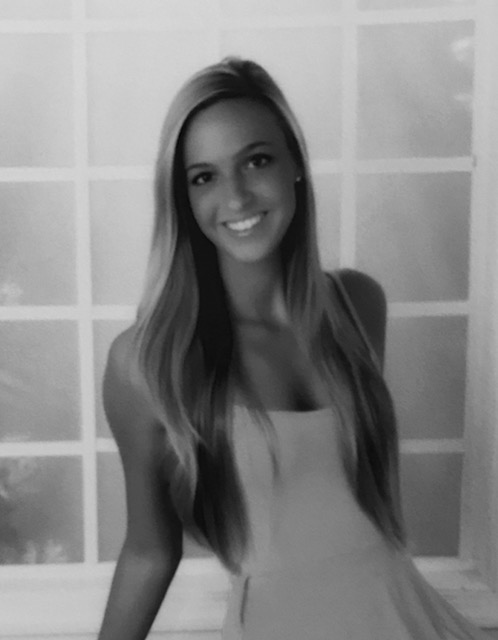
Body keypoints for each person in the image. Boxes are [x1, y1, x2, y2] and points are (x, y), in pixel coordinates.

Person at [97, 57, 491, 639]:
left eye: (256, 161)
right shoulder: (149, 362)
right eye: (204, 177)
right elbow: (149, 552)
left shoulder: (358, 305)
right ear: (182, 199)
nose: (236, 196)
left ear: (296, 166)